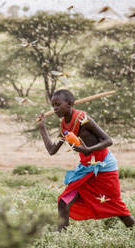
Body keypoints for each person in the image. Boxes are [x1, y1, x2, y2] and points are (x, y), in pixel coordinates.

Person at [37, 89, 134, 231]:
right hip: (86, 168)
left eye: (58, 105)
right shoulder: (64, 126)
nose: (55, 109)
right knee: (64, 202)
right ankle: (60, 241)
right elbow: (52, 150)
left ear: (70, 103)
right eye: (53, 106)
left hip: (104, 167)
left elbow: (108, 140)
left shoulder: (84, 120)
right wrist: (42, 128)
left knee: (117, 208)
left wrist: (88, 150)